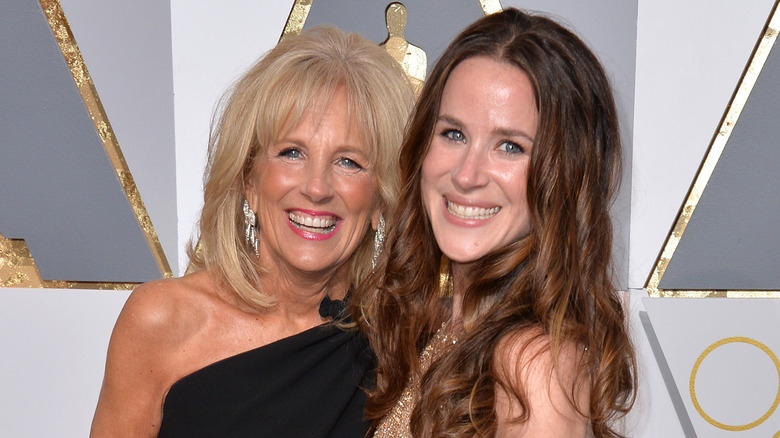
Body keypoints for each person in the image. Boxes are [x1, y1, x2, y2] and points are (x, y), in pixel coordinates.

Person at [90, 26, 414, 437]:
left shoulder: (404, 347)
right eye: (291, 153)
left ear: (380, 199)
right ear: (249, 180)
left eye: (348, 161)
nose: (316, 188)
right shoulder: (162, 321)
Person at [352, 8, 636, 438]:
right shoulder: (449, 327)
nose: (467, 175)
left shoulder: (533, 363)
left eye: (509, 146)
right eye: (453, 134)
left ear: (565, 175)